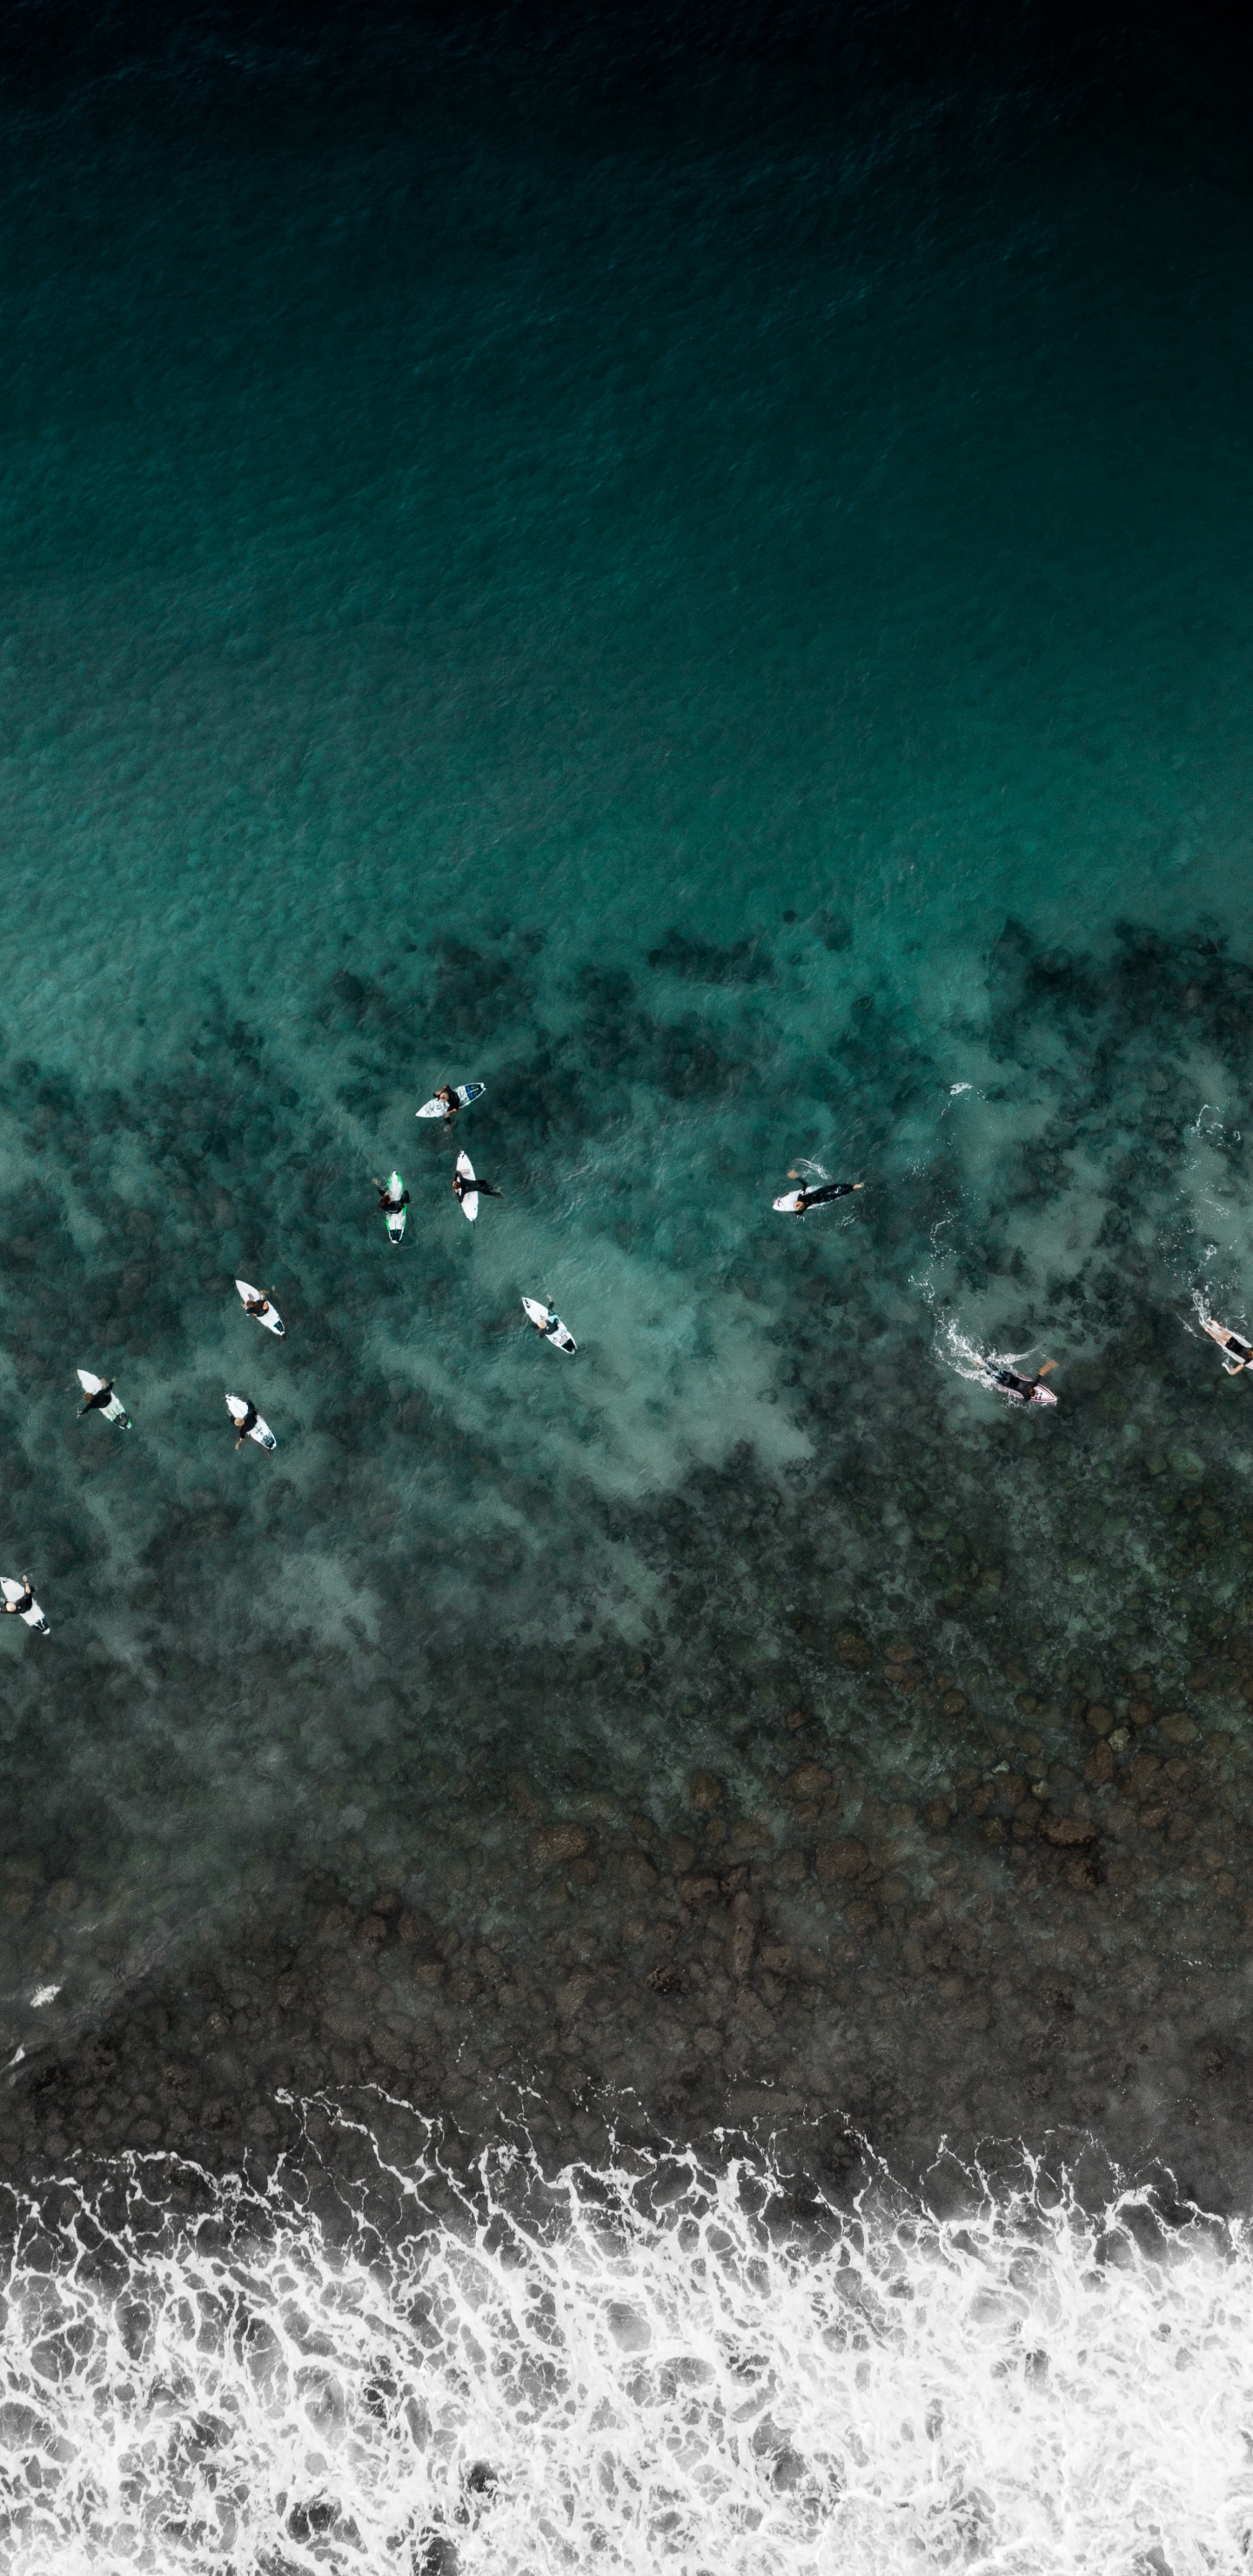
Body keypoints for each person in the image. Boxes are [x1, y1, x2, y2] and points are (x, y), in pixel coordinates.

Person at [985, 1360, 1058, 1405]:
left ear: (1034, 1389)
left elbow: (1039, 1376)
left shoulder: (1032, 1384)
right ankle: (982, 1369)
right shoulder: (1026, 1395)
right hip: (1007, 1383)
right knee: (993, 1376)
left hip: (1010, 1377)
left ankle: (986, 1361)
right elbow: (1024, 1401)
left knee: (997, 1370)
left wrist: (1044, 1370)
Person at [785, 1175, 865, 1216]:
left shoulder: (803, 1209)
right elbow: (805, 1184)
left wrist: (796, 1213)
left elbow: (799, 1213)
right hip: (822, 1191)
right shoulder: (801, 1197)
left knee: (839, 1193)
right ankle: (854, 1186)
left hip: (825, 1199)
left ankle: (855, 1187)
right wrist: (796, 1177)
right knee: (837, 1187)